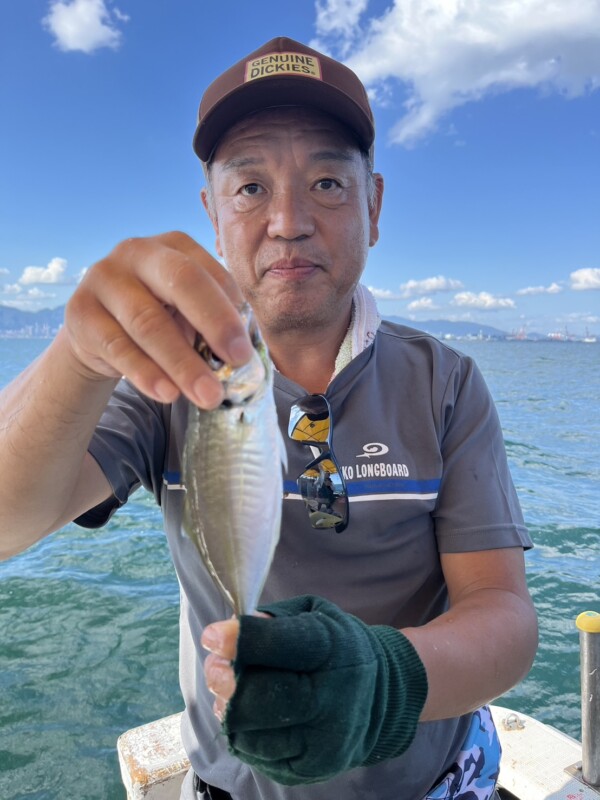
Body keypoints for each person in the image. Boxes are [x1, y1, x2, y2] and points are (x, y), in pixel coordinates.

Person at [0, 36, 537, 800]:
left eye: (325, 182)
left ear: (374, 206)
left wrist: (388, 683)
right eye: (250, 188)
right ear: (212, 214)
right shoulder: (166, 381)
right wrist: (79, 359)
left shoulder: (444, 382)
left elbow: (506, 616)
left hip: (437, 782)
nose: (288, 221)